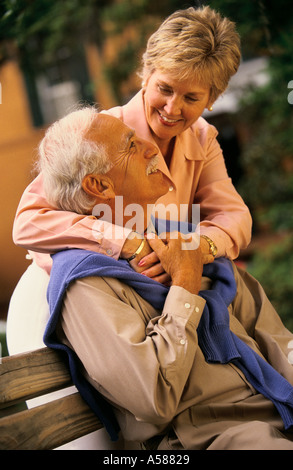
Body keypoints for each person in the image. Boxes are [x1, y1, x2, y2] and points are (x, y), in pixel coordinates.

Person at [39, 108, 293, 450]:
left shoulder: (184, 241)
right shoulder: (85, 284)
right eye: (131, 144)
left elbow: (275, 338)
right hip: (209, 438)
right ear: (98, 185)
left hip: (276, 410)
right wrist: (185, 283)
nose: (151, 147)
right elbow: (154, 397)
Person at [12, 6, 252, 277]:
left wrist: (195, 249)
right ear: (146, 75)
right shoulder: (95, 133)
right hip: (81, 285)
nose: (172, 109)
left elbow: (234, 216)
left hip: (155, 284)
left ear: (211, 99)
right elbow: (28, 222)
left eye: (191, 98)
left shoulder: (202, 137)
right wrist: (126, 242)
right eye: (165, 89)